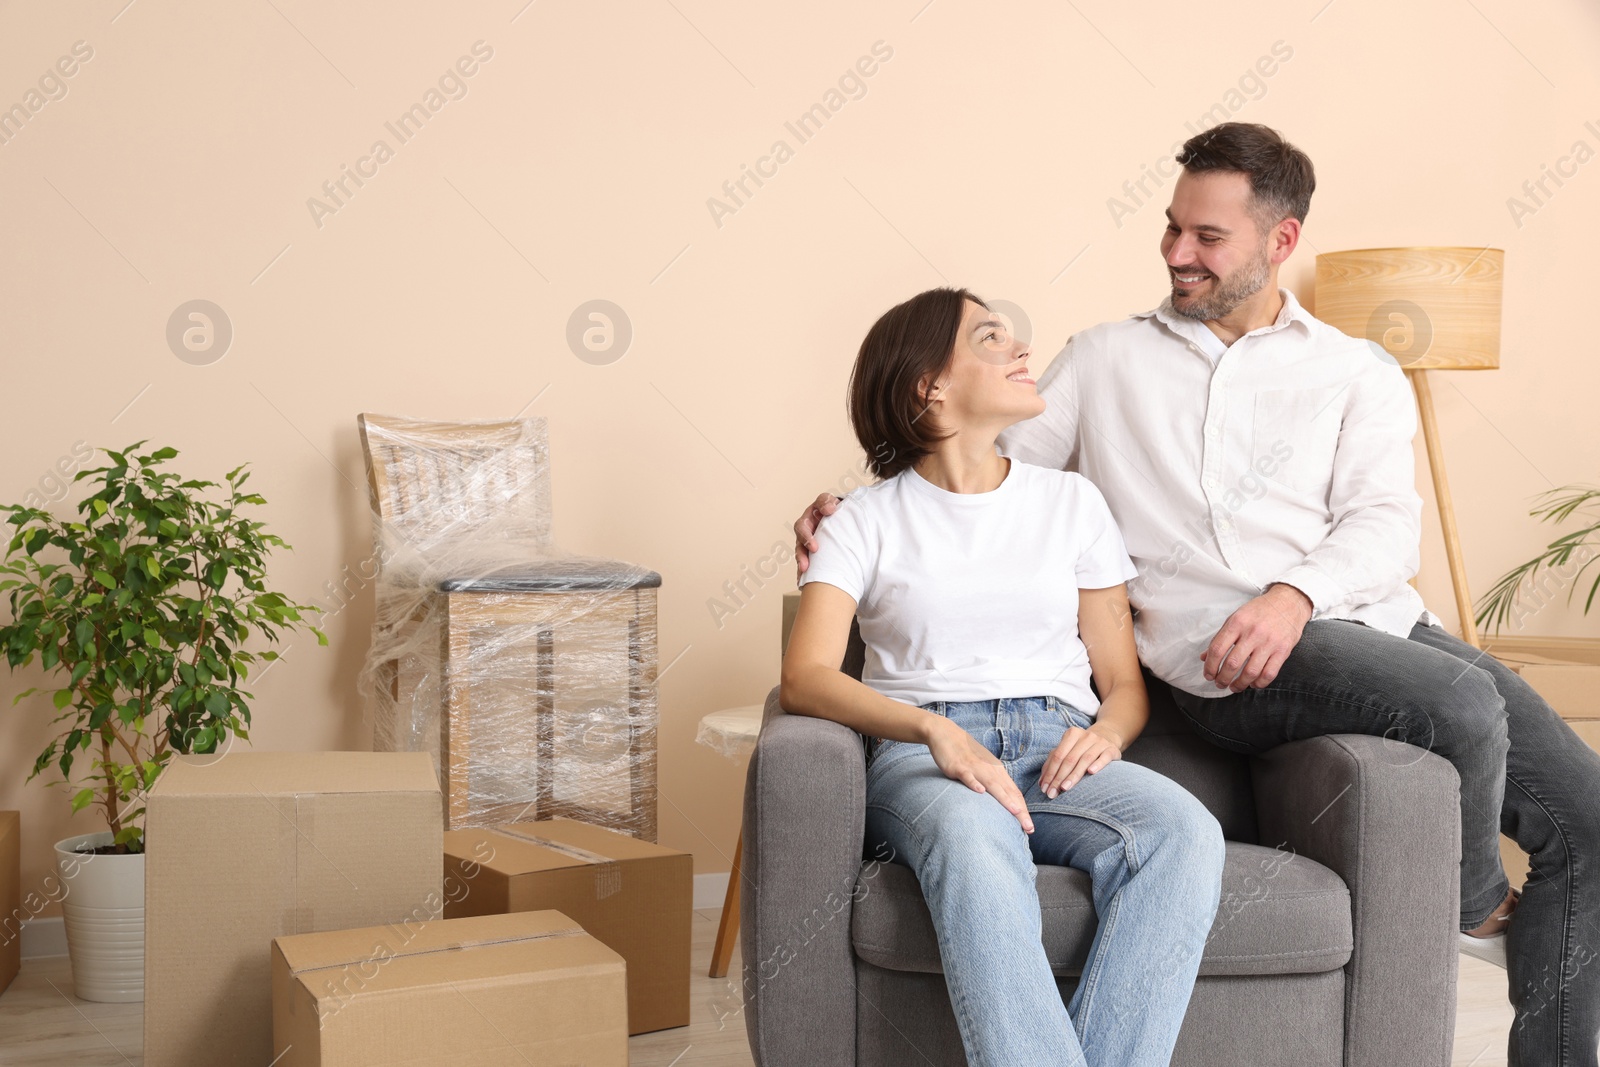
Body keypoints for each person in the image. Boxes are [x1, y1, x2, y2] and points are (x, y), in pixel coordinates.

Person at [794, 122, 1600, 1067]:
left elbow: (1385, 529)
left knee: (1586, 816)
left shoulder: (1355, 372)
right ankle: (1468, 905)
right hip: (1229, 659)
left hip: (1365, 621)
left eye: (1208, 238)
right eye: (1173, 227)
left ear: (1281, 240)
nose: (1179, 252)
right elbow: (977, 470)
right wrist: (850, 505)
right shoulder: (1103, 361)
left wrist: (1296, 591)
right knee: (1462, 703)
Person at [781, 285, 1226, 1067]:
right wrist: (933, 729)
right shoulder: (862, 520)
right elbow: (806, 677)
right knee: (971, 834)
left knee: (1183, 831)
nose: (1023, 349)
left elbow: (1122, 681)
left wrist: (1107, 734)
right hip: (927, 756)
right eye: (991, 337)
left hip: (1059, 744)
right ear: (931, 386)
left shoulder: (1072, 503)